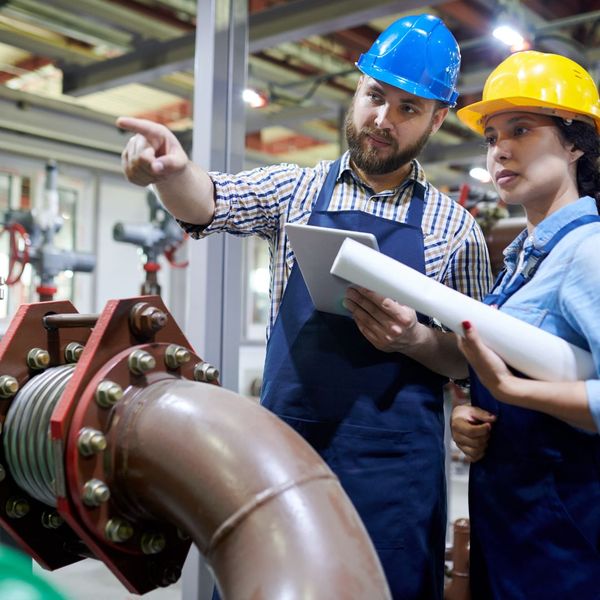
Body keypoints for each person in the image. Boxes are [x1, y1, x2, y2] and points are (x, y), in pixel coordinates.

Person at [119, 14, 492, 599]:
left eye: (408, 109)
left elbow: (473, 357)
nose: (381, 120)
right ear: (357, 88)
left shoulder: (457, 229)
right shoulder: (296, 192)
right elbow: (210, 201)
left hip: (395, 479)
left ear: (438, 118)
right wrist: (172, 171)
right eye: (375, 96)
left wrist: (415, 341)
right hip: (284, 457)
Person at [451, 50, 600, 599]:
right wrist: (476, 416)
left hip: (565, 542)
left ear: (575, 142)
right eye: (491, 136)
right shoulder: (524, 261)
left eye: (521, 129)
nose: (500, 150)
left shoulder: (587, 254)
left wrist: (513, 389)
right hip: (512, 530)